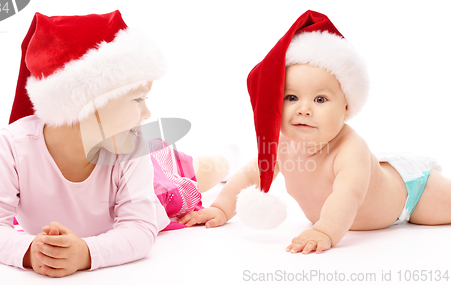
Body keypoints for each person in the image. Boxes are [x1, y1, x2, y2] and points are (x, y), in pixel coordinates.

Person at [0, 10, 227, 278]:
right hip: (125, 149)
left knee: (205, 170)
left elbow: (140, 228)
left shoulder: (130, 149)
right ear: (88, 104)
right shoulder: (13, 145)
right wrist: (31, 251)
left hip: (151, 176)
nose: (148, 113)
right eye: (139, 100)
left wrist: (85, 253)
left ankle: (228, 159)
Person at [179, 10, 451, 254]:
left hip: (410, 194)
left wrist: (325, 231)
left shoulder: (350, 149)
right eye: (291, 98)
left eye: (320, 100)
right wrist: (221, 208)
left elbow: (347, 196)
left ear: (346, 107)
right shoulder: (284, 144)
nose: (304, 109)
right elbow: (251, 175)